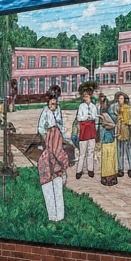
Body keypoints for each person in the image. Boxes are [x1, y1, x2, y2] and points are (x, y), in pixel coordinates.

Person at [36, 88, 70, 222]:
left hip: (58, 143)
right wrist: (47, 136)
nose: (53, 107)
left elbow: (61, 126)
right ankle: (52, 216)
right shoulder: (45, 112)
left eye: (55, 104)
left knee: (58, 182)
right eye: (51, 104)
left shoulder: (58, 111)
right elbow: (40, 128)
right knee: (48, 182)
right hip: (49, 142)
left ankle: (60, 216)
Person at [74, 82, 99, 179]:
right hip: (84, 130)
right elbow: (79, 118)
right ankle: (79, 170)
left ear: (90, 96)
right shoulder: (81, 106)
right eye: (84, 96)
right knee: (82, 152)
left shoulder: (93, 106)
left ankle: (90, 169)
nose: (85, 98)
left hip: (91, 130)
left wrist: (90, 118)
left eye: (87, 96)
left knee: (91, 151)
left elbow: (94, 117)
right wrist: (87, 117)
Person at [98, 94, 119, 186]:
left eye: (104, 102)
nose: (102, 104)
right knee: (106, 158)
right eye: (101, 102)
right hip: (105, 138)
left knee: (110, 157)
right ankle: (106, 177)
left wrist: (105, 123)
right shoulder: (102, 111)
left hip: (110, 137)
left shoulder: (110, 112)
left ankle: (110, 178)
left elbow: (114, 125)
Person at [114, 91, 131, 178]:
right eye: (119, 98)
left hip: (127, 129)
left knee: (128, 149)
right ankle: (120, 169)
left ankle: (130, 168)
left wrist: (126, 121)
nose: (120, 100)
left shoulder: (129, 108)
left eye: (122, 98)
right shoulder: (116, 107)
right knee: (119, 151)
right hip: (118, 130)